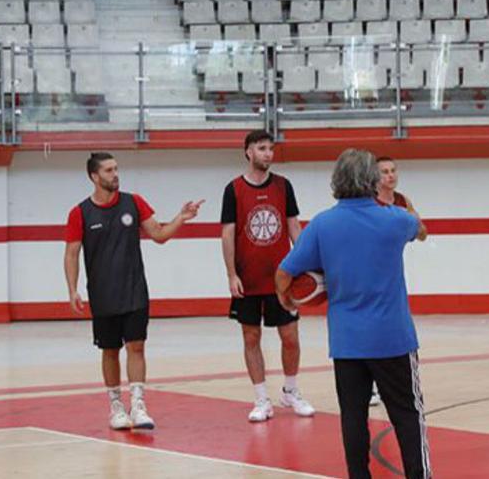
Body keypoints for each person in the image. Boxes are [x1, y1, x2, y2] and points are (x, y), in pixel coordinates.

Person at [276, 149, 430, 479]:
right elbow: (420, 229)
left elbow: (284, 273)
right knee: (407, 413)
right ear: (372, 180)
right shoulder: (395, 219)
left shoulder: (322, 224)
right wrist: (407, 204)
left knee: (353, 416)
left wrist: (288, 301)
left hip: (347, 341)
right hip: (393, 339)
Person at [64, 152, 203, 431]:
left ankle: (138, 405)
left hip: (135, 290)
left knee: (136, 346)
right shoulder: (79, 213)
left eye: (116, 169)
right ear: (94, 176)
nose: (115, 174)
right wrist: (72, 290)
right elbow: (71, 254)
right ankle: (116, 407)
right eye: (108, 170)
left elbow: (159, 235)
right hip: (102, 294)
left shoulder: (133, 202)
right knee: (110, 350)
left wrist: (181, 217)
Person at [220, 130, 315, 421]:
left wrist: (307, 264)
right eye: (262, 148)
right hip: (248, 279)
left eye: (271, 149)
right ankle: (261, 399)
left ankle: (291, 391)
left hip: (281, 279)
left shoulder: (284, 186)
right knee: (251, 337)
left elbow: (294, 228)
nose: (268, 154)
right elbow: (228, 234)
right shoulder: (233, 189)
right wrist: (231, 274)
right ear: (248, 152)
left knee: (290, 337)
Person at [368, 156, 428, 407]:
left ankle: (388, 384)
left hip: (391, 273)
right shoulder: (368, 202)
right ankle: (369, 385)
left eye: (393, 171)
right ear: (375, 176)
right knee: (370, 326)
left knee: (391, 327)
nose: (390, 175)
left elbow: (422, 233)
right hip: (369, 271)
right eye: (384, 172)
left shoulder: (402, 202)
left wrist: (409, 219)